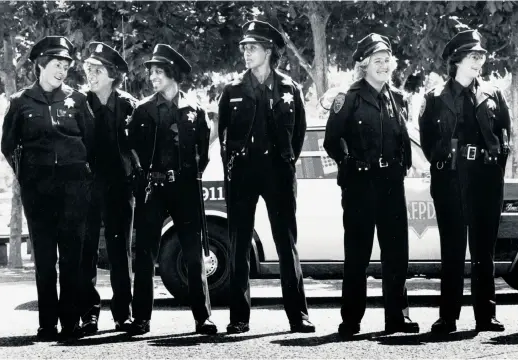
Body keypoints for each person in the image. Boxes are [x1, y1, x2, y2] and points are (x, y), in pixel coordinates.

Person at [218, 20, 314, 334]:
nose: (246, 53)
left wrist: (285, 161)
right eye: (244, 48)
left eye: (253, 48)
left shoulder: (289, 87)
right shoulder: (232, 89)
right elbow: (223, 136)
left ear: (269, 50)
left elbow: (298, 133)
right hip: (243, 173)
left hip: (278, 172)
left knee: (287, 244)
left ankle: (298, 315)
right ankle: (238, 317)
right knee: (239, 243)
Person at [323, 33, 418, 338]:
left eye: (387, 60)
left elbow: (403, 141)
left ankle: (397, 318)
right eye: (377, 60)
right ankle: (351, 319)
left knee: (396, 253)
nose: (384, 65)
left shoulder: (398, 98)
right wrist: (350, 167)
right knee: (357, 255)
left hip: (391, 183)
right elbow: (331, 142)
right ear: (363, 65)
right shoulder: (347, 99)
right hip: (360, 185)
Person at [0, 36, 94, 341]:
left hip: (73, 188)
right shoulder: (20, 101)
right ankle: (47, 324)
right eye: (57, 64)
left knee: (71, 257)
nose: (62, 70)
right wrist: (27, 175)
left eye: (66, 65)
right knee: (43, 259)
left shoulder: (78, 101)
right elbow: (8, 145)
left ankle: (70, 323)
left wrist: (82, 176)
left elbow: (92, 143)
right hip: (37, 189)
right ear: (41, 65)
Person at [418, 29, 511, 334]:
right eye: (473, 57)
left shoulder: (494, 93)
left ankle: (486, 316)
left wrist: (496, 168)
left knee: (484, 251)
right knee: (453, 250)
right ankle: (448, 316)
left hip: (486, 179)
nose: (479, 63)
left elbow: (504, 134)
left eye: (481, 57)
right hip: (451, 180)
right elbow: (428, 141)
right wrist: (445, 163)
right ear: (456, 60)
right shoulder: (434, 98)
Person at [126, 44, 217, 335]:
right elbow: (135, 150)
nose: (153, 77)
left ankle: (203, 318)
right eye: (151, 72)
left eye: (159, 72)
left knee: (193, 252)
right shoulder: (143, 110)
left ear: (172, 73)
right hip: (153, 187)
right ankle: (140, 319)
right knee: (145, 254)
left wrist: (189, 177)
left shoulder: (195, 109)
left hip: (186, 188)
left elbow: (203, 152)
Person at [79, 42, 137, 334]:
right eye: (89, 69)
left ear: (113, 75)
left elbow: (139, 146)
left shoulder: (128, 104)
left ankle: (122, 313)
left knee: (119, 251)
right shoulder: (78, 102)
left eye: (98, 70)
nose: (91, 74)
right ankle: (88, 314)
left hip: (120, 187)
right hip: (87, 188)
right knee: (86, 250)